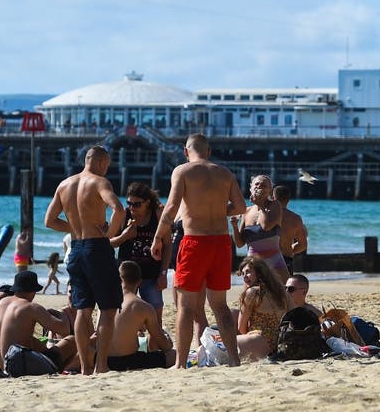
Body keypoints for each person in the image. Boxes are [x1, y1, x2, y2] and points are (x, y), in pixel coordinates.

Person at [150, 133, 247, 369]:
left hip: (195, 242)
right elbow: (241, 207)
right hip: (222, 243)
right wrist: (214, 209)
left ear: (186, 152)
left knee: (185, 305)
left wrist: (158, 237)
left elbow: (171, 208)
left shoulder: (182, 171)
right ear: (209, 151)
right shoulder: (225, 173)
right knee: (220, 305)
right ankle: (234, 360)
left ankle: (181, 363)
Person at [44, 145, 125, 375]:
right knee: (108, 309)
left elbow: (49, 220)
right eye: (107, 164)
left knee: (82, 310)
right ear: (100, 162)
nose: (107, 169)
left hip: (76, 248)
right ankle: (101, 365)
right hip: (96, 248)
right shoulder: (99, 182)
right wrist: (110, 233)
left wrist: (74, 227)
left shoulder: (64, 185)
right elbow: (118, 209)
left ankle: (85, 368)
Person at [0, 270, 78, 376]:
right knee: (72, 340)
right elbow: (64, 329)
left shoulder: (1, 304)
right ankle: (64, 368)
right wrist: (60, 314)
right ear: (33, 291)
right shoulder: (31, 307)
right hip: (18, 367)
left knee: (33, 341)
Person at [111, 182, 170, 326]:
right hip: (126, 275)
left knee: (155, 317)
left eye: (137, 204)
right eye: (129, 203)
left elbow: (168, 245)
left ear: (147, 202)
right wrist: (124, 236)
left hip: (151, 274)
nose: (132, 208)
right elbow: (109, 242)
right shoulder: (123, 215)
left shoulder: (157, 214)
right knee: (122, 314)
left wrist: (163, 273)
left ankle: (155, 348)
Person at [103, 261, 176, 372]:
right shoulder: (142, 306)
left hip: (105, 360)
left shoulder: (105, 301)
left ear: (119, 279)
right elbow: (162, 342)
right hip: (129, 361)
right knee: (173, 355)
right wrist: (168, 342)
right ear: (140, 282)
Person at [230, 174, 287, 279]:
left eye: (264, 185)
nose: (259, 186)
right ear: (251, 188)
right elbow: (239, 244)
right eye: (256, 184)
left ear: (270, 191)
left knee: (281, 294)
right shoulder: (246, 211)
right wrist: (234, 226)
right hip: (252, 263)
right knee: (251, 294)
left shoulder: (275, 205)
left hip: (274, 261)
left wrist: (261, 205)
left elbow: (266, 227)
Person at [235, 256, 290, 362]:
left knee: (215, 345)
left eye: (248, 272)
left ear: (259, 273)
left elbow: (241, 328)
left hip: (259, 340)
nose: (245, 277)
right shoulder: (282, 292)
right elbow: (292, 314)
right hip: (279, 342)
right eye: (243, 274)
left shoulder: (252, 292)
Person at [273, 185, 308, 274]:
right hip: (286, 259)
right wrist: (289, 250)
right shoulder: (295, 218)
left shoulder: (265, 216)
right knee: (285, 287)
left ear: (273, 198)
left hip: (267, 259)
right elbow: (303, 245)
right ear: (289, 199)